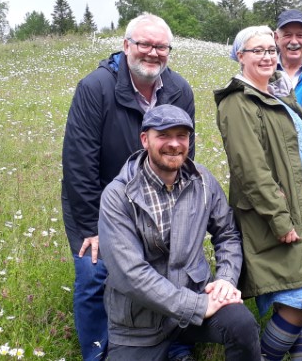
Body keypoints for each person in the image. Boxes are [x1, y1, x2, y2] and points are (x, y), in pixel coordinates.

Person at [61, 13, 195, 361]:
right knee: (96, 274)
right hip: (101, 204)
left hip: (158, 200)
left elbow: (184, 154)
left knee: (174, 267)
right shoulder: (95, 88)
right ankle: (99, 352)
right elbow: (79, 163)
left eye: (161, 46)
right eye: (145, 44)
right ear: (126, 46)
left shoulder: (179, 90)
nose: (153, 53)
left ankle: (176, 346)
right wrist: (92, 227)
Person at [98, 104, 261, 361]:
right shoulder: (118, 196)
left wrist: (226, 281)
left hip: (197, 301)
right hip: (139, 322)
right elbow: (130, 274)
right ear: (145, 139)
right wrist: (196, 306)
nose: (174, 144)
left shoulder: (203, 181)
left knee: (242, 325)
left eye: (182, 136)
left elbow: (227, 234)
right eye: (163, 135)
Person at [214, 25, 302, 361]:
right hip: (277, 218)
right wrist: (280, 220)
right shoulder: (238, 103)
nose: (267, 57)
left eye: (270, 50)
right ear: (240, 57)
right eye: (257, 51)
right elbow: (251, 171)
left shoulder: (279, 94)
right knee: (297, 304)